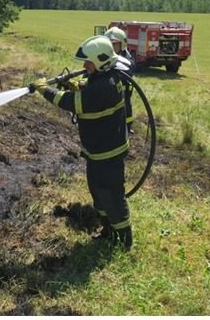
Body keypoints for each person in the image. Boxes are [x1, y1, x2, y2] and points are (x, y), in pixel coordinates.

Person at [29, 36, 133, 251]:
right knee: (98, 194)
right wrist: (74, 84)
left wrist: (45, 90)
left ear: (101, 61)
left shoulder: (106, 85)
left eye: (88, 62)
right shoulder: (104, 76)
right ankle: (107, 231)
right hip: (97, 151)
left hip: (108, 153)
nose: (84, 66)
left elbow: (71, 102)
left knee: (112, 196)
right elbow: (87, 89)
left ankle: (124, 240)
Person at [105, 26, 135, 134]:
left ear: (122, 44)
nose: (111, 47)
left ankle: (127, 131)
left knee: (125, 118)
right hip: (108, 100)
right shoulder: (104, 58)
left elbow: (127, 72)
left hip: (123, 98)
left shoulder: (127, 62)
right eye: (109, 44)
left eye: (114, 44)